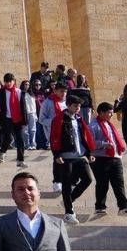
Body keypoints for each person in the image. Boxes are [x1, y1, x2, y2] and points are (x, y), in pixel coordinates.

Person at [50, 95, 95, 224]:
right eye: (75, 105)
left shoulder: (79, 119)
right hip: (66, 157)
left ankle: (68, 200)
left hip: (80, 156)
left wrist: (89, 152)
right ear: (68, 105)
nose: (78, 108)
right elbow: (54, 137)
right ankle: (69, 212)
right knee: (67, 184)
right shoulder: (59, 119)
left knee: (88, 179)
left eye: (79, 106)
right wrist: (57, 155)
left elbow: (84, 137)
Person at [88, 102, 127, 217]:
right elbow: (89, 142)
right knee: (103, 183)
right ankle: (100, 207)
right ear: (101, 112)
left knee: (119, 183)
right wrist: (103, 144)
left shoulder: (110, 125)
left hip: (115, 157)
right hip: (101, 158)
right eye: (109, 113)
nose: (111, 116)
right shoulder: (93, 125)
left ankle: (124, 206)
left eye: (112, 114)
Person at [0, 73, 30, 168]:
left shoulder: (19, 92)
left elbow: (23, 108)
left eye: (10, 81)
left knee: (20, 140)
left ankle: (20, 160)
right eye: (6, 82)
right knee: (8, 138)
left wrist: (25, 120)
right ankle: (2, 152)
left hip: (18, 119)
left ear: (14, 81)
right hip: (6, 119)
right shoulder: (1, 92)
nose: (8, 84)